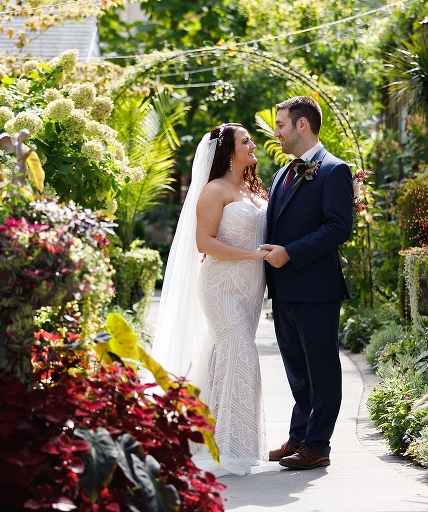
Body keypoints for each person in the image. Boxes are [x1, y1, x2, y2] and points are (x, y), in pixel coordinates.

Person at [151, 123, 269, 476]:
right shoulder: (214, 190)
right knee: (240, 355)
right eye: (245, 141)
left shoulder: (253, 189)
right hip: (221, 287)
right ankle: (232, 448)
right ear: (228, 152)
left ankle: (210, 438)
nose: (253, 145)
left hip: (251, 289)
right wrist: (252, 255)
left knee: (228, 358)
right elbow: (204, 242)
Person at [260, 96, 353, 470]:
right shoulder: (282, 173)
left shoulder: (334, 170)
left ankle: (317, 445)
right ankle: (299, 437)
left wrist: (290, 253)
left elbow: (338, 227)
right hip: (283, 290)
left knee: (322, 371)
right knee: (298, 373)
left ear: (302, 125)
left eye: (280, 125)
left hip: (316, 289)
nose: (276, 133)